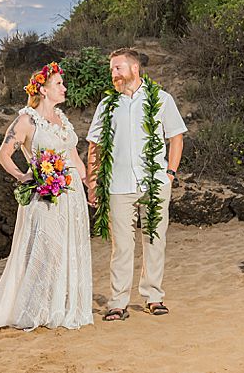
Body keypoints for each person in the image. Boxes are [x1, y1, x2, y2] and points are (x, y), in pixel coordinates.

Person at [0, 61, 93, 331]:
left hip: (72, 195)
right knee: (46, 250)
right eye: (58, 84)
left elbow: (73, 157)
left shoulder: (62, 120)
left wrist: (89, 184)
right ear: (42, 90)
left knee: (67, 248)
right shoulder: (26, 120)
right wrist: (23, 176)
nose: (64, 88)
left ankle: (62, 305)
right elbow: (3, 154)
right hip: (44, 196)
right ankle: (36, 307)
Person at [86, 47, 186, 321]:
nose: (114, 74)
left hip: (154, 183)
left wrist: (170, 173)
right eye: (112, 70)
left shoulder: (161, 99)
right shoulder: (107, 105)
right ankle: (118, 302)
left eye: (118, 68)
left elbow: (176, 137)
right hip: (118, 186)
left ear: (134, 68)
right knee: (121, 246)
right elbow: (94, 145)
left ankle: (154, 297)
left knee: (154, 240)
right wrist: (92, 181)